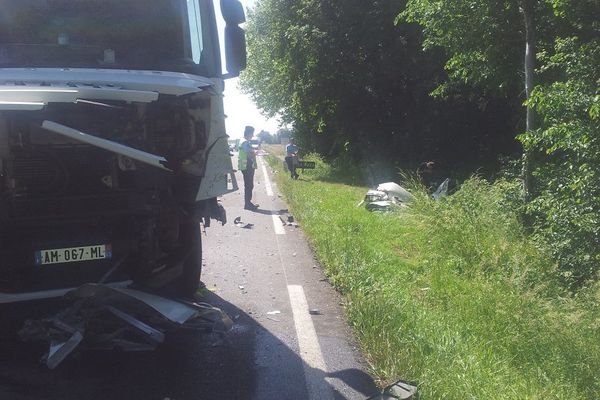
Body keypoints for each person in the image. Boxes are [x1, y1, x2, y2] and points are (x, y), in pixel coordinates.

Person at [238, 126, 259, 210]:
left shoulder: (242, 141)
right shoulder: (245, 142)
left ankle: (248, 203)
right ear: (249, 133)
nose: (252, 135)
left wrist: (253, 150)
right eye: (252, 133)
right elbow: (249, 153)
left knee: (248, 185)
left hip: (244, 165)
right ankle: (247, 204)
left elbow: (249, 150)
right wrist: (255, 152)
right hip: (247, 165)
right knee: (249, 185)